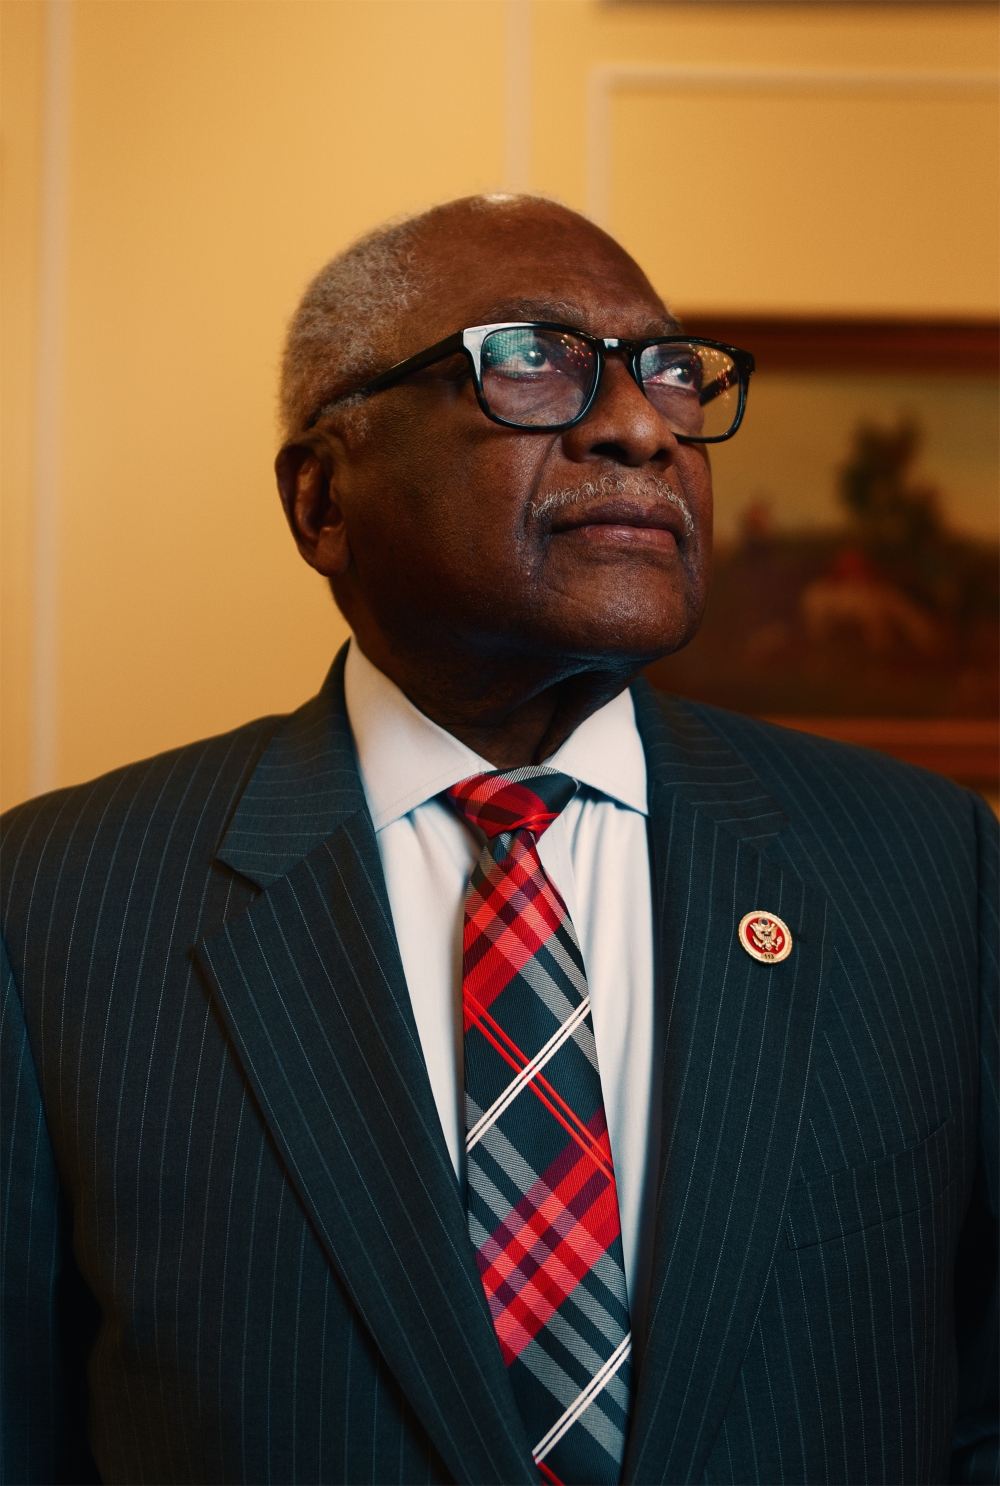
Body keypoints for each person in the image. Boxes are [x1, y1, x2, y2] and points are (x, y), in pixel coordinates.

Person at [1, 193, 996, 1486]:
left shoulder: (929, 868)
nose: (642, 425)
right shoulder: (57, 906)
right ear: (323, 499)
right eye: (531, 360)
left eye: (672, 373)